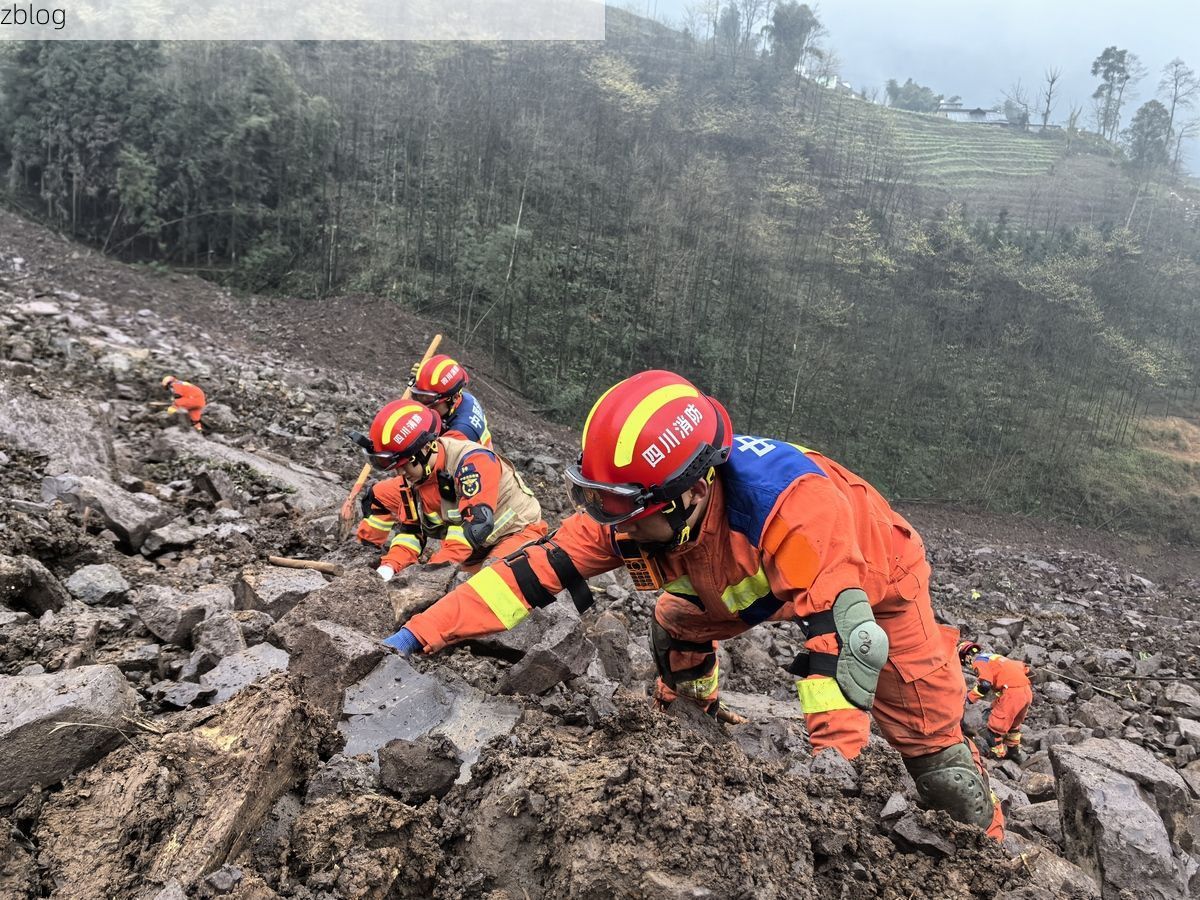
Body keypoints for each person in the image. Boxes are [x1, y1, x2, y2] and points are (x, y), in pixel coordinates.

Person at [382, 370, 1004, 839]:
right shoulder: (633, 509)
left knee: (935, 754)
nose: (609, 524)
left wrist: (826, 791)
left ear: (691, 491)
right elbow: (522, 579)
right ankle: (693, 716)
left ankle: (992, 854)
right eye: (599, 501)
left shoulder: (797, 511)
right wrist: (416, 636)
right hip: (736, 576)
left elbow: (841, 651)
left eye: (625, 510)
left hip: (874, 583)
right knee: (675, 627)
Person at [354, 398, 546, 582]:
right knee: (453, 593)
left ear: (426, 448)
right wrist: (388, 567)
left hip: (518, 533)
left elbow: (477, 526)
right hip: (477, 549)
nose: (400, 472)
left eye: (405, 465)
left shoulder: (473, 463)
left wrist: (429, 573)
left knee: (488, 587)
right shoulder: (412, 480)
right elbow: (410, 534)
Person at [959, 641, 1033, 763]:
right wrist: (994, 705)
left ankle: (998, 757)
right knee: (1013, 726)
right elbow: (1025, 669)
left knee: (993, 730)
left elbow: (985, 685)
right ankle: (1014, 753)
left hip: (1012, 694)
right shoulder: (994, 657)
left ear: (966, 657)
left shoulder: (979, 662)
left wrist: (969, 698)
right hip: (1026, 692)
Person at [409, 353, 492, 447]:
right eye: (418, 396)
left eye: (428, 399)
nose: (421, 406)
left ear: (454, 397)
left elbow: (431, 457)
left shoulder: (459, 433)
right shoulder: (463, 398)